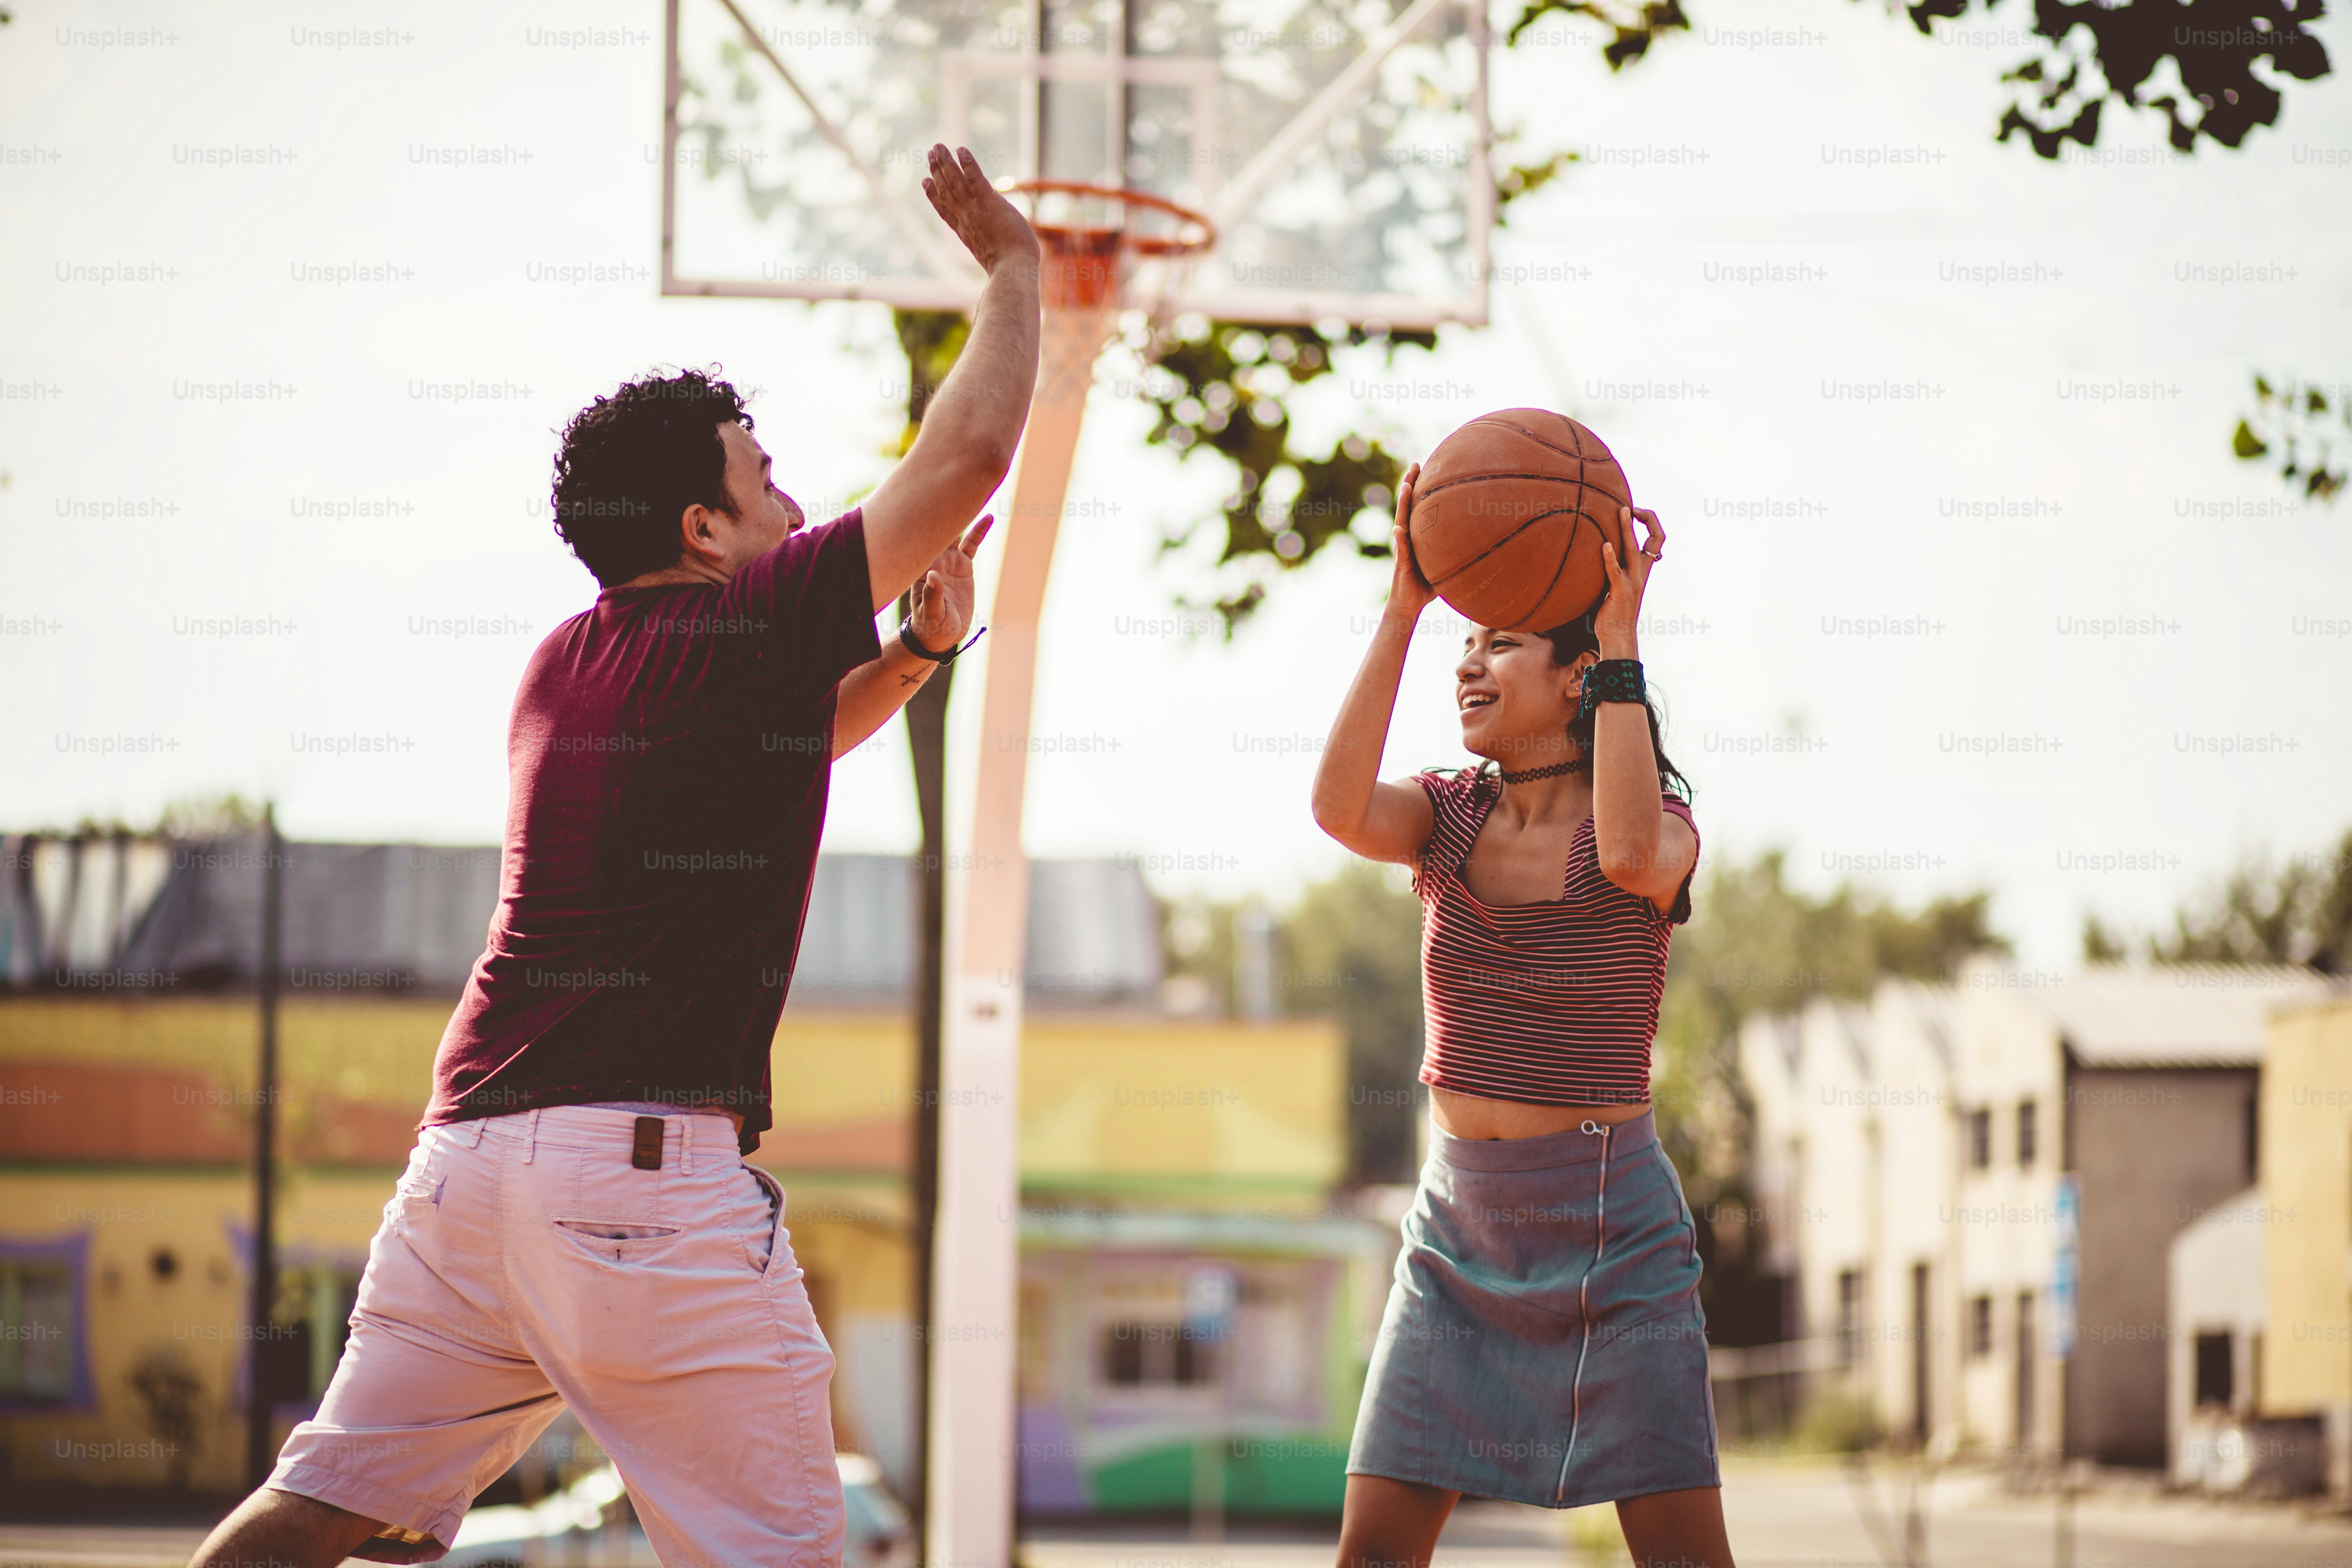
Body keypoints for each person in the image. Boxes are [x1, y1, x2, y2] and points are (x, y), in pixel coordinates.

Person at [189, 146, 1042, 1568]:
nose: (789, 506)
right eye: (763, 484)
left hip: (467, 1166)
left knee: (323, 1506)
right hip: (634, 1183)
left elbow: (782, 747)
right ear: (704, 529)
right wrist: (1019, 274)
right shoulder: (739, 621)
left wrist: (914, 655)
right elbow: (965, 464)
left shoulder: (564, 666)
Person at [1311, 469, 1734, 1568]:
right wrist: (1403, 611)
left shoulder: (1652, 823)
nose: (1466, 663)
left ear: (1577, 673)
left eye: (1496, 642)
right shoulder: (1446, 815)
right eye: (1464, 644)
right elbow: (1336, 809)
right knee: (1368, 1560)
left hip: (1613, 1239)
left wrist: (1623, 637)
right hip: (1455, 1236)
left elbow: (1635, 856)